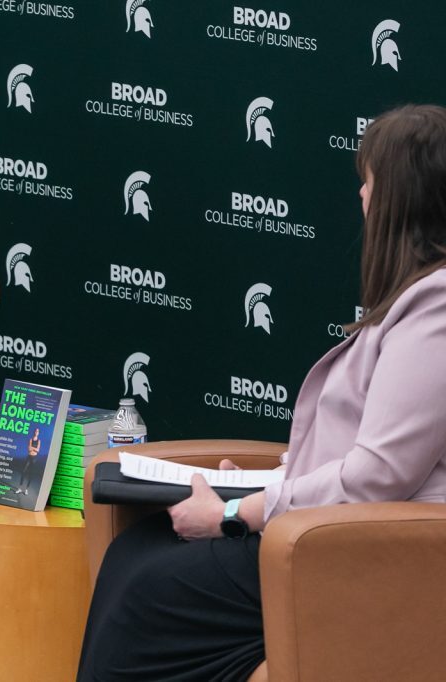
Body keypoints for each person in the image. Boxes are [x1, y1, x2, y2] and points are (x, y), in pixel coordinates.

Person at [78, 103, 446, 681]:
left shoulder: (438, 309)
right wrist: (268, 481)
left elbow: (379, 474)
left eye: (369, 183)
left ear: (402, 197)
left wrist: (234, 511)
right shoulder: (417, 301)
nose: (362, 199)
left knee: (150, 589)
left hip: (366, 551)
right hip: (327, 531)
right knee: (135, 553)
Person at [17, 427, 42, 494]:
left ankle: (26, 490)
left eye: (38, 431)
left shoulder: (39, 441)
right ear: (34, 432)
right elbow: (29, 449)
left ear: (38, 433)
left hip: (34, 458)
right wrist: (34, 449)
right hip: (29, 456)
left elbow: (38, 450)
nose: (36, 432)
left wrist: (33, 448)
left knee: (31, 474)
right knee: (23, 471)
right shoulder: (31, 439)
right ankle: (19, 488)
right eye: (35, 431)